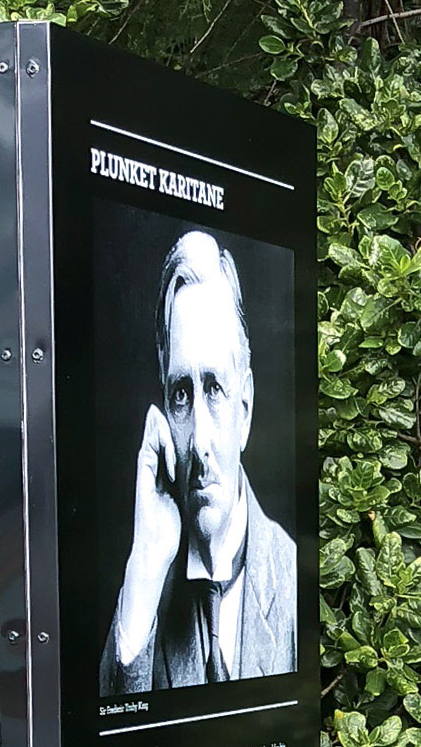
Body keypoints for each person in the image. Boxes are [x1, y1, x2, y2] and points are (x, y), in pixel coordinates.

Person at [100, 230, 296, 692]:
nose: (201, 441)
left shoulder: (292, 575)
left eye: (215, 389)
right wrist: (147, 564)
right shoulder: (144, 596)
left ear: (244, 409)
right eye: (182, 395)